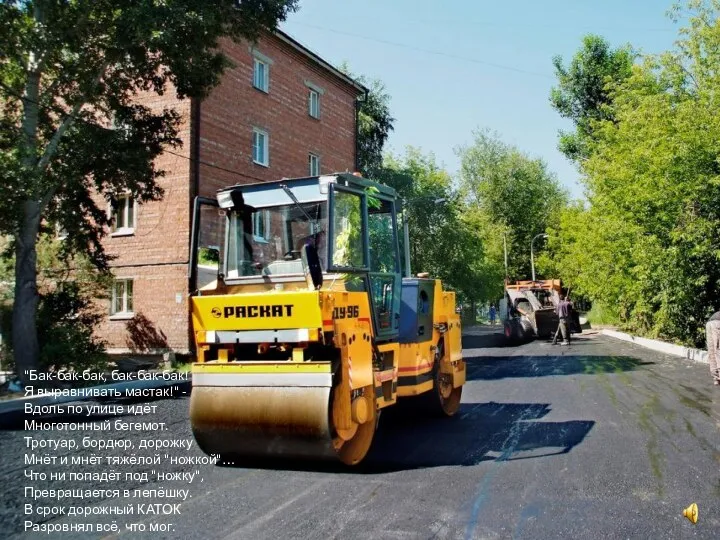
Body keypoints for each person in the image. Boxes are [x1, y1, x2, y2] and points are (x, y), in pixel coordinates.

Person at [706, 310, 720, 386]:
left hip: (710, 323)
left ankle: (716, 378)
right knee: (718, 350)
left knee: (712, 351)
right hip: (717, 323)